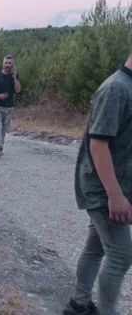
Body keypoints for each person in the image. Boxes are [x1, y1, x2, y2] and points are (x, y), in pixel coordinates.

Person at [63, 43, 132, 315]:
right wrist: (115, 194)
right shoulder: (116, 89)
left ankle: (79, 304)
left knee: (96, 247)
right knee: (122, 254)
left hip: (115, 186)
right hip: (102, 188)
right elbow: (98, 144)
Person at [0, 54, 21, 157]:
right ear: (3, 64)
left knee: (4, 129)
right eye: (6, 63)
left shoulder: (15, 76)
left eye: (10, 63)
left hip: (9, 107)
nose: (7, 65)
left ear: (12, 64)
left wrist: (15, 79)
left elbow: (18, 90)